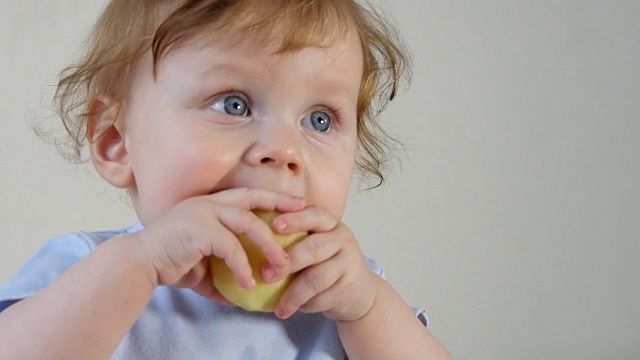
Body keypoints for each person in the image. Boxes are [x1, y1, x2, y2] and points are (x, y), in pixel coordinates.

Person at [0, 0, 451, 358]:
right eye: (233, 104)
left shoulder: (344, 293)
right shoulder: (88, 269)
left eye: (319, 119)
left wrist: (368, 308)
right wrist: (138, 265)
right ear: (116, 140)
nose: (284, 150)